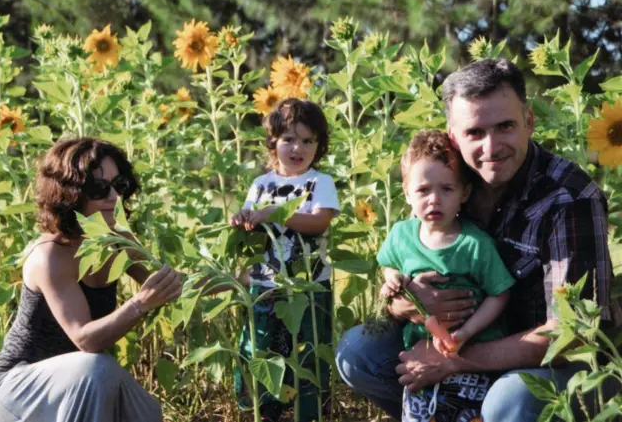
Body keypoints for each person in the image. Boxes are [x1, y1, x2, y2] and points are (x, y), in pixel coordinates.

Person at [336, 58, 622, 421]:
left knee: (510, 401)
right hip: (456, 343)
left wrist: (450, 360)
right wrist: (406, 303)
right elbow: (402, 266)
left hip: (552, 367)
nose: (491, 146)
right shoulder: (444, 185)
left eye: (505, 126)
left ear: (529, 122)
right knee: (360, 351)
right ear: (454, 136)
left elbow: (575, 334)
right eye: (474, 132)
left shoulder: (569, 198)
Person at [0, 138, 182, 422]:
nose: (114, 197)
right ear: (70, 194)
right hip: (17, 387)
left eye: (119, 185)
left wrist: (242, 279)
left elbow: (167, 283)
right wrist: (140, 303)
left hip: (78, 383)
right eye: (99, 188)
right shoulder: (51, 255)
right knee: (98, 369)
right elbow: (85, 339)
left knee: (145, 411)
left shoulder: (115, 236)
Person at [377, 130, 515, 421]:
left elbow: (499, 294)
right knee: (418, 412)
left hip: (471, 354)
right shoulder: (401, 235)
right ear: (406, 192)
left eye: (446, 189)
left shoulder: (475, 245)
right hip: (418, 352)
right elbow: (389, 264)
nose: (434, 200)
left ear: (464, 193)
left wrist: (465, 333)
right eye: (423, 190)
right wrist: (393, 279)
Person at [230, 98, 340, 422]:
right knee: (261, 348)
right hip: (266, 285)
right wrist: (242, 218)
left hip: (309, 286)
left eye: (308, 140)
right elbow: (251, 223)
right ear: (273, 142)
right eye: (289, 139)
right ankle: (265, 411)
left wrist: (277, 213)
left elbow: (319, 222)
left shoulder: (320, 183)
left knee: (308, 354)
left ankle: (310, 413)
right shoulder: (261, 185)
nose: (298, 148)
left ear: (318, 146)